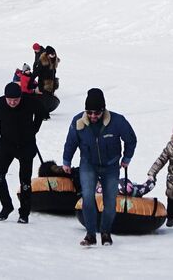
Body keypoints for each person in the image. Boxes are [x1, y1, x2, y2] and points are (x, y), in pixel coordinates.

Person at [62, 88, 136, 247]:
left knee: (110, 201)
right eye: (89, 112)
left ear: (103, 110)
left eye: (97, 113)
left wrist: (127, 158)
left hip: (111, 166)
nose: (93, 116)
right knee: (88, 197)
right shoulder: (78, 122)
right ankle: (90, 234)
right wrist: (66, 161)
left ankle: (106, 233)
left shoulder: (117, 121)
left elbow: (131, 139)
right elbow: (70, 143)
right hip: (88, 164)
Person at [0, 81, 46, 224]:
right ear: (5, 97)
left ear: (21, 96)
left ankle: (24, 213)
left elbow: (42, 113)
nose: (13, 102)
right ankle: (6, 206)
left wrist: (34, 128)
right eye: (10, 100)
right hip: (7, 145)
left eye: (16, 100)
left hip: (26, 145)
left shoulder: (29, 101)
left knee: (25, 182)